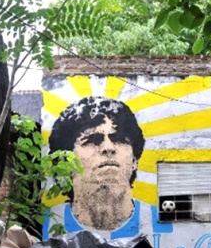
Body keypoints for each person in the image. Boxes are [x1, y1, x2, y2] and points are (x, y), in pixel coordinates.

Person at [44, 95, 157, 239]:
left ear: (134, 160)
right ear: (66, 161)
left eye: (119, 139)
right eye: (93, 140)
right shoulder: (47, 223)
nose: (108, 148)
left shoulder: (159, 221)